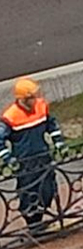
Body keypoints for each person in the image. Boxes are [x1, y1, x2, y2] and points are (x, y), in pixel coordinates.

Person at [0, 78, 65, 233]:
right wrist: (8, 159)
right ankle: (33, 224)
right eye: (32, 97)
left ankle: (40, 218)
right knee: (29, 192)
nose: (36, 100)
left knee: (48, 189)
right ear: (22, 99)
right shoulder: (11, 117)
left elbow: (51, 124)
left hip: (43, 156)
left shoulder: (41, 106)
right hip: (25, 162)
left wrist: (59, 143)